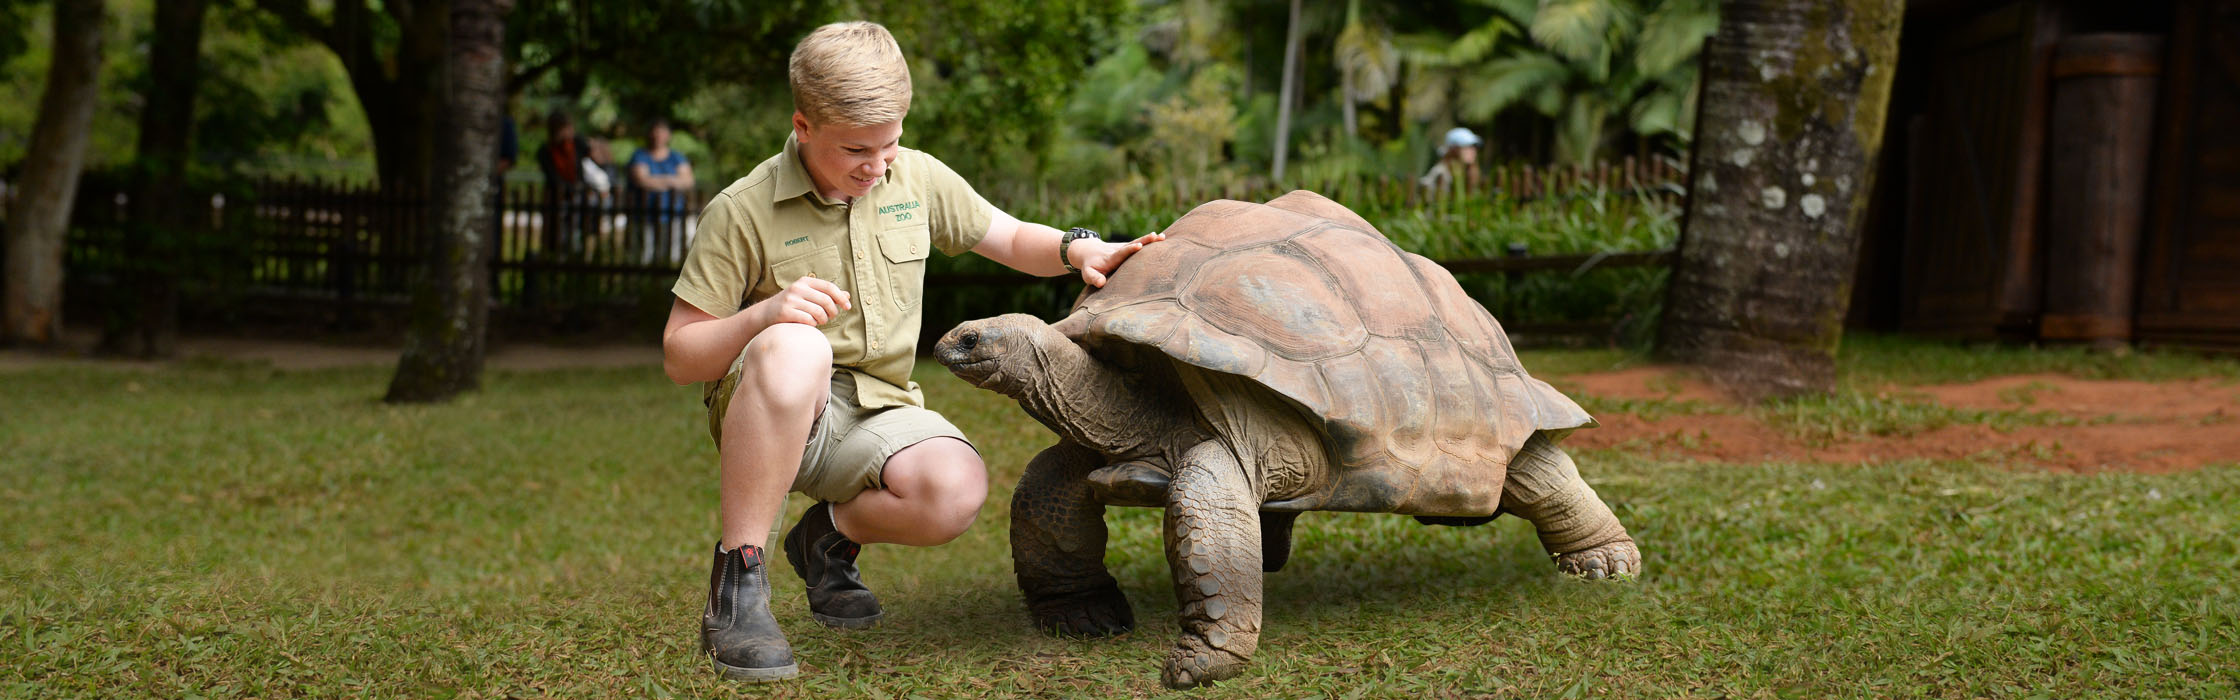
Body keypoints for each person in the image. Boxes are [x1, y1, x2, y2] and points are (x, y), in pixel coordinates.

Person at [661, 21, 1164, 683]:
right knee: (795, 347)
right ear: (803, 127)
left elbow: (1010, 238)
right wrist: (763, 315)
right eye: (855, 151)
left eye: (889, 145)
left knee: (954, 492)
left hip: (880, 409)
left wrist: (1079, 250)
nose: (876, 166)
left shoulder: (914, 178)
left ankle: (826, 537)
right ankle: (738, 584)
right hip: (775, 409)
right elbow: (680, 354)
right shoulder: (743, 210)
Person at [628, 119, 696, 263]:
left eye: (661, 132)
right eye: (655, 132)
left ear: (668, 136)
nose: (657, 136)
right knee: (644, 255)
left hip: (673, 214)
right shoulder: (640, 155)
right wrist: (672, 180)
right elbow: (641, 179)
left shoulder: (676, 157)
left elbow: (688, 181)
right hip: (645, 215)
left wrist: (655, 180)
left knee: (673, 255)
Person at [1418, 126, 1482, 196]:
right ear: (1453, 149)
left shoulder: (1469, 172)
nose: (1472, 150)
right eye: (1466, 146)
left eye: (1474, 146)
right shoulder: (1440, 172)